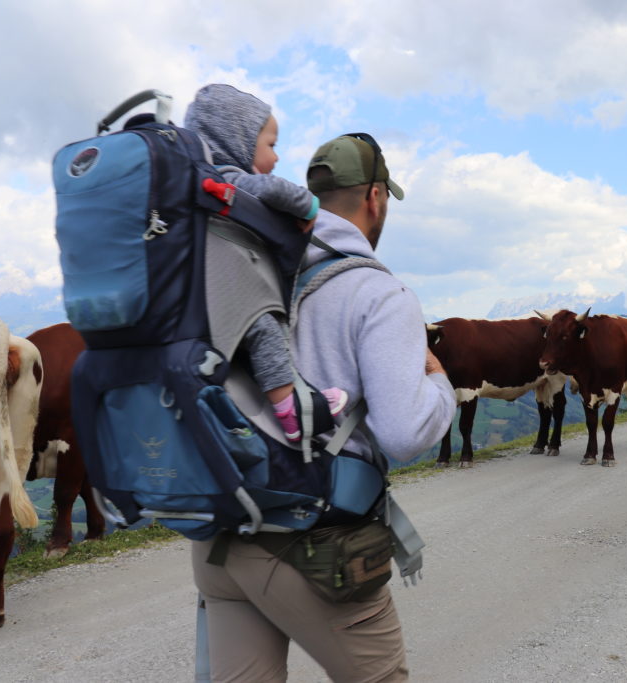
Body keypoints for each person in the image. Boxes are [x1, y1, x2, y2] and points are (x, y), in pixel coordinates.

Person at [191, 133, 456, 682]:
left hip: (223, 543)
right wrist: (441, 386)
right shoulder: (378, 293)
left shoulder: (244, 265)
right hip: (313, 550)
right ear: (375, 198)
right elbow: (404, 434)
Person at [184, 83, 346, 441]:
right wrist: (310, 205)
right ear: (235, 141)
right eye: (270, 145)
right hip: (225, 300)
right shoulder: (226, 177)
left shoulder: (187, 185)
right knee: (265, 326)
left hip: (191, 303)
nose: (275, 158)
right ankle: (291, 410)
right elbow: (272, 189)